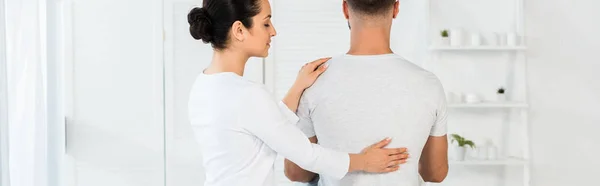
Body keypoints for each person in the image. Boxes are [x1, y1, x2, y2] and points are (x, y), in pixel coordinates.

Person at [186, 0, 411, 186]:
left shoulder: (204, 85)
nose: (273, 31)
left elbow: (266, 130)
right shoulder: (247, 94)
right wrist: (363, 161)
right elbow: (306, 155)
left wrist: (298, 86)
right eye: (266, 23)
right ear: (239, 30)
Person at [283, 0, 449, 186]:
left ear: (345, 9)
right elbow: (435, 173)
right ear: (396, 8)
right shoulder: (428, 83)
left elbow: (296, 172)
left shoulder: (313, 80)